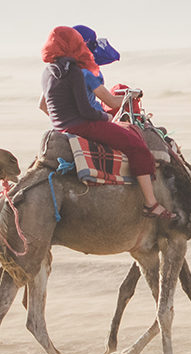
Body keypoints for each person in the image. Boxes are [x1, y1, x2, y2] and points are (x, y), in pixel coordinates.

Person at [39, 26, 176, 220]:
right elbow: (87, 110)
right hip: (83, 125)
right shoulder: (78, 71)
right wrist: (109, 118)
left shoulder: (47, 72)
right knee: (136, 145)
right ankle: (151, 203)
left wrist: (62, 120)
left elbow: (42, 105)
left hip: (59, 127)